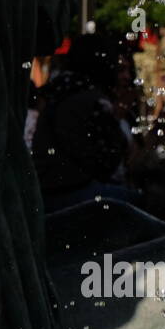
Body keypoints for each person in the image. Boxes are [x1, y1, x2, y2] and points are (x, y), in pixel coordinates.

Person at [30, 33, 136, 213]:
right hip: (71, 194)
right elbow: (106, 163)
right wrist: (117, 120)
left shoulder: (63, 89)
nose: (125, 76)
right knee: (142, 202)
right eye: (118, 67)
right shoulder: (92, 100)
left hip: (46, 193)